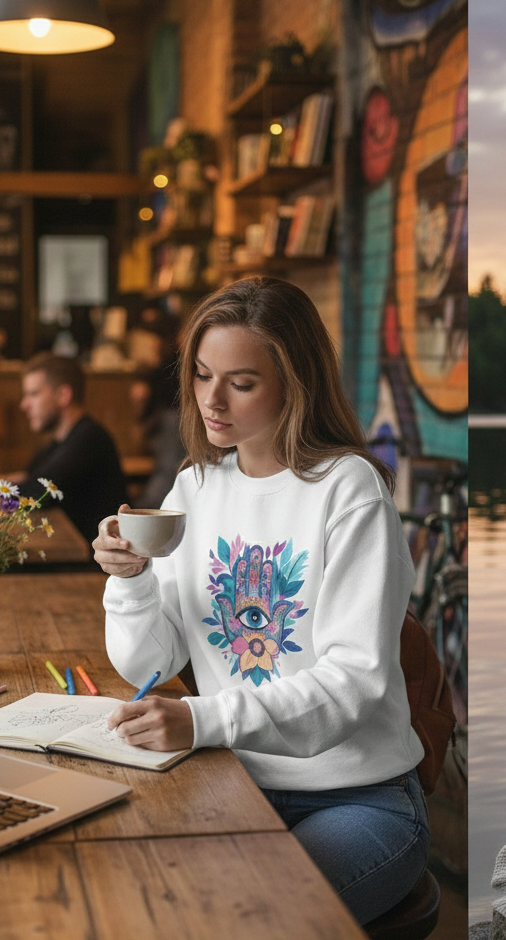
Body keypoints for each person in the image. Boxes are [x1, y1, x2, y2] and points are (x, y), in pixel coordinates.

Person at [91, 276, 428, 925]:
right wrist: (130, 579)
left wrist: (202, 720)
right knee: (134, 895)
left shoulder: (346, 489)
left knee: (244, 914)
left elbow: (353, 683)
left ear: (293, 383)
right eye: (201, 374)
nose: (212, 400)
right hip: (228, 783)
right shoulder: (195, 486)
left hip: (358, 799)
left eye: (241, 383)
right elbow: (149, 666)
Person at [15, 353, 127, 544]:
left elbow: (38, 493)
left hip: (97, 565)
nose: (24, 405)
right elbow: (29, 478)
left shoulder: (89, 438)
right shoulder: (58, 441)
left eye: (33, 394)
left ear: (63, 395)